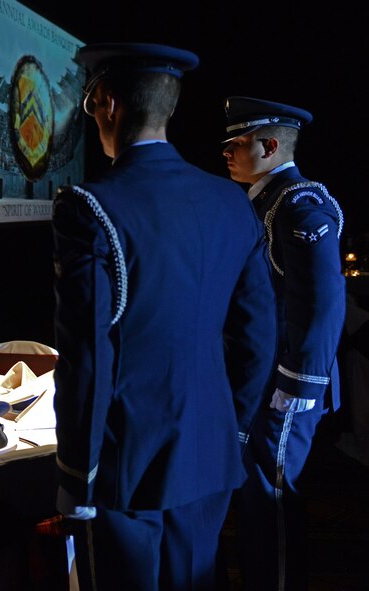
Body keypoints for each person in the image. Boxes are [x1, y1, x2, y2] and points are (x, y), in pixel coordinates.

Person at [52, 43, 277, 590]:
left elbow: (89, 356)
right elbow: (259, 338)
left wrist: (77, 478)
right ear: (168, 109)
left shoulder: (90, 205)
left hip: (131, 469)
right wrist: (233, 428)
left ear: (106, 105)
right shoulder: (232, 203)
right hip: (211, 456)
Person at [221, 96, 346, 590]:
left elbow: (322, 303)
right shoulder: (267, 200)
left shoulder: (298, 203)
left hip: (286, 385)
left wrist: (298, 387)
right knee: (256, 499)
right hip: (264, 379)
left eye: (238, 142)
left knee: (271, 501)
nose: (227, 152)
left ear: (270, 144)